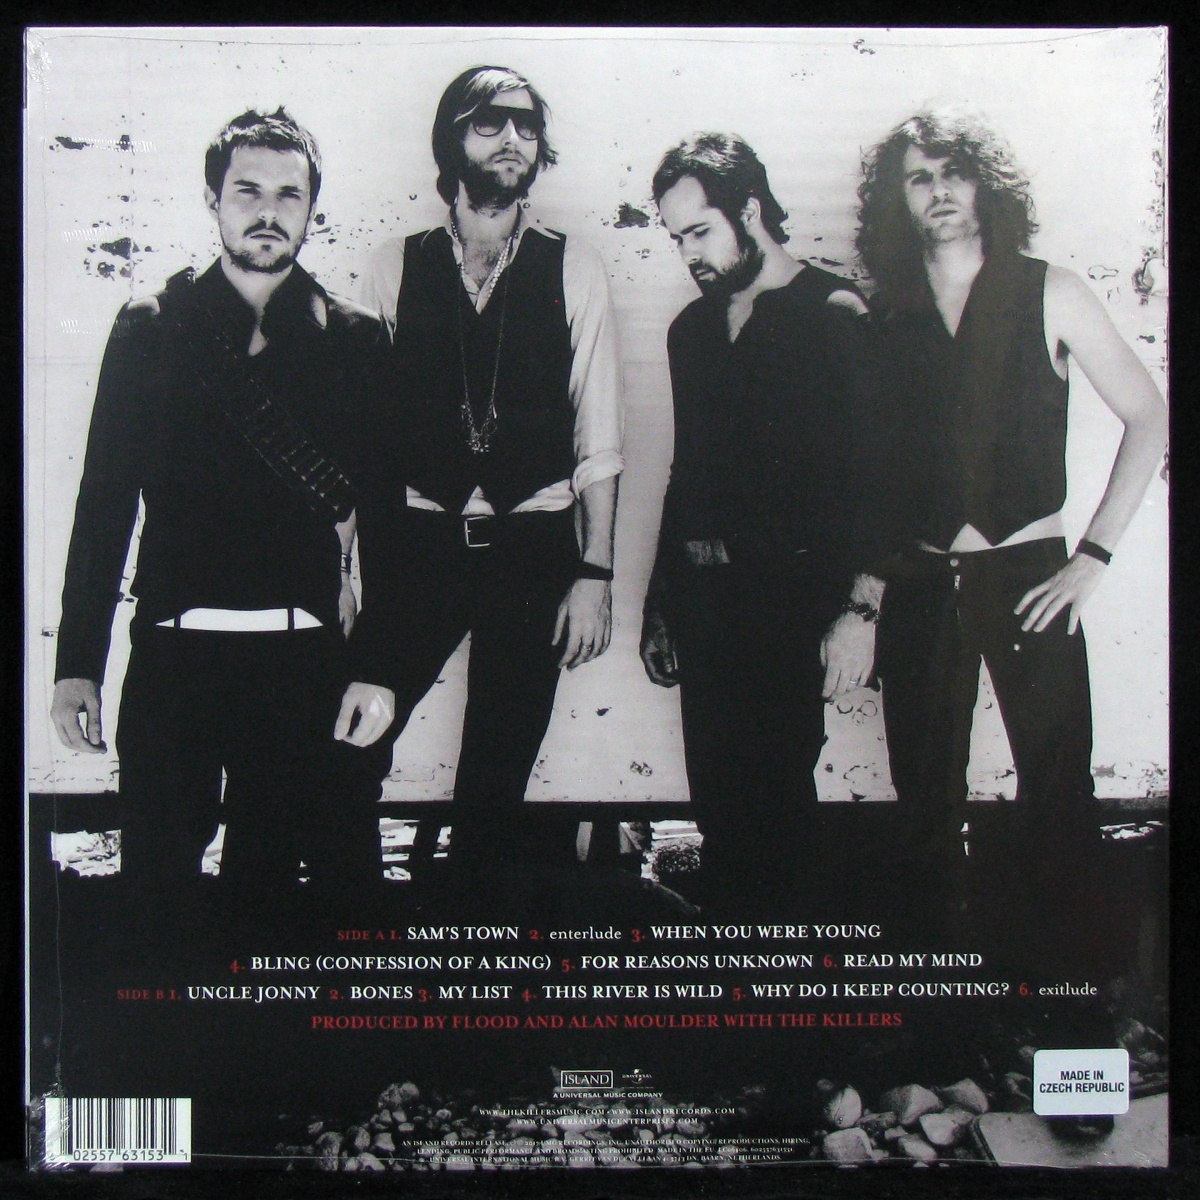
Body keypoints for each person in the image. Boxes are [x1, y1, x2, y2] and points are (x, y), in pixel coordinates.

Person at [50, 108, 390, 941]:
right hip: (174, 661)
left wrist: (377, 667)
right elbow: (104, 502)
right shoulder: (149, 327)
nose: (268, 212)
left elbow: (387, 521)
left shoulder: (354, 338)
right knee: (155, 898)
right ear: (213, 199)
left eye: (289, 194)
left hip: (301, 665)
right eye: (247, 191)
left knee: (268, 905)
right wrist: (77, 665)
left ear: (313, 209)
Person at [857, 107, 1167, 963]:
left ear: (985, 184)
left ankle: (1069, 999)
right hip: (922, 580)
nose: (939, 190)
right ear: (897, 199)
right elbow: (865, 470)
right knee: (924, 802)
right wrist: (867, 593)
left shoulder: (1048, 290)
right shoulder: (886, 312)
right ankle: (943, 1005)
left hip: (1030, 574)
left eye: (953, 171)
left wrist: (1092, 558)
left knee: (1059, 791)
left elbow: (1150, 416)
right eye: (919, 178)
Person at [337, 66, 623, 884]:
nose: (512, 139)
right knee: (350, 744)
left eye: (528, 126)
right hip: (415, 552)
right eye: (490, 121)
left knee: (493, 787)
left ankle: (470, 930)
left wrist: (594, 574)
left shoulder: (574, 265)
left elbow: (599, 435)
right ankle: (356, 923)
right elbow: (359, 439)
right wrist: (342, 569)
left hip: (531, 554)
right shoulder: (395, 264)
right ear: (452, 137)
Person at [640, 133, 889, 916]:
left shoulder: (834, 314)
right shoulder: (690, 330)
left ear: (749, 210)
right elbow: (687, 470)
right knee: (719, 810)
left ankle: (783, 973)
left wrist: (860, 609)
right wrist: (660, 602)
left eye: (700, 231)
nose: (690, 254)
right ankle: (734, 967)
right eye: (677, 238)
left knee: (778, 809)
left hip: (791, 603)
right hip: (705, 606)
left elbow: (878, 477)